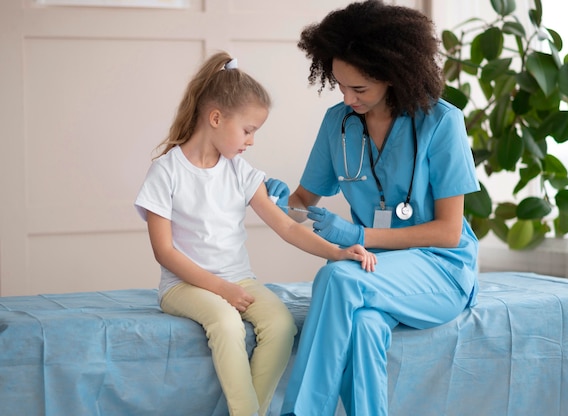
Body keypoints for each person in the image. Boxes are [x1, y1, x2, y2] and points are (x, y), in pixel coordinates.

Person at [134, 51, 377, 416]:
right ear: (216, 118)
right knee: (227, 325)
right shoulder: (166, 172)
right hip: (183, 286)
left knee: (281, 325)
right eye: (248, 130)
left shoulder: (240, 171)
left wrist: (338, 250)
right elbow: (165, 252)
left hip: (239, 280)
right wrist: (221, 289)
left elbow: (285, 226)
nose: (250, 141)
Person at [268, 2, 481, 415]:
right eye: (340, 86)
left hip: (440, 269)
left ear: (391, 74)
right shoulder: (338, 124)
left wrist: (358, 235)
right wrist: (274, 201)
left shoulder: (442, 123)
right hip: (374, 268)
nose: (347, 98)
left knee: (337, 278)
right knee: (363, 327)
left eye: (359, 89)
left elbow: (448, 232)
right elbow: (302, 202)